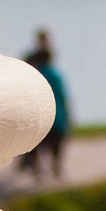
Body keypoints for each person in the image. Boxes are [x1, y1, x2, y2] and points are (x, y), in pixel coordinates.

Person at [19, 28, 72, 183]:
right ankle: (56, 170)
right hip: (57, 118)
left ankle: (39, 172)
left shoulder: (36, 74)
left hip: (40, 118)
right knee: (55, 147)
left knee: (38, 147)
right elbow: (62, 96)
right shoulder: (55, 75)